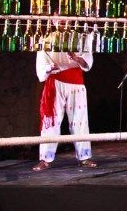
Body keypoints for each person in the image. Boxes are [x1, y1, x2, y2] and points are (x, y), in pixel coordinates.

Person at [32, 23, 97, 171]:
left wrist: (77, 58)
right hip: (56, 82)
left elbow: (87, 62)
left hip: (76, 83)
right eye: (59, 16)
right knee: (52, 121)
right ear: (54, 19)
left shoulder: (81, 38)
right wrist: (50, 68)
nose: (63, 20)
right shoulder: (46, 38)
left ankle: (84, 156)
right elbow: (41, 67)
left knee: (80, 120)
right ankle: (45, 158)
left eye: (66, 16)